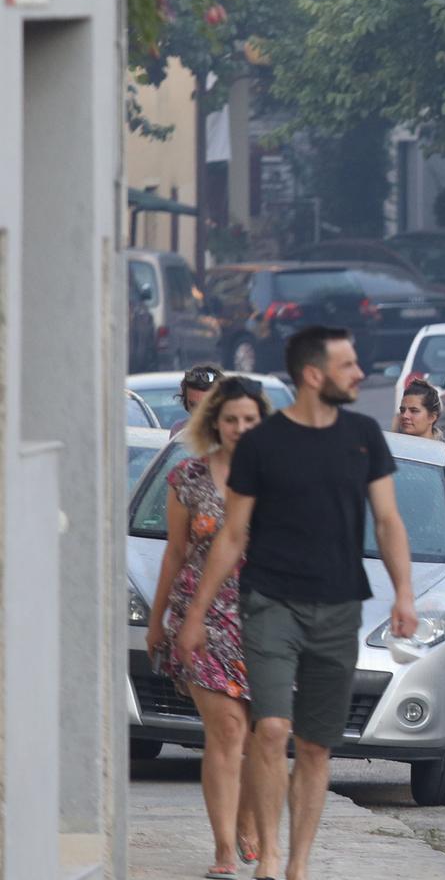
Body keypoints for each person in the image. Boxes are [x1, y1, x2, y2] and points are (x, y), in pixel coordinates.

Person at [177, 326, 418, 880]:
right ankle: (268, 857)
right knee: (270, 729)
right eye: (348, 365)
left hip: (338, 607)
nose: (360, 374)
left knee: (314, 745)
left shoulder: (363, 436)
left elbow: (387, 521)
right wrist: (195, 614)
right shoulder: (262, 443)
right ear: (314, 375)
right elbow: (233, 534)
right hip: (270, 603)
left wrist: (404, 592)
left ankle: (298, 865)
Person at [147, 376, 271, 878]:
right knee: (227, 730)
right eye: (230, 419)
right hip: (202, 618)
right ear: (214, 422)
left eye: (249, 419)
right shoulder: (188, 478)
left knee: (262, 735)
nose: (240, 427)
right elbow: (175, 554)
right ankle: (223, 848)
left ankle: (248, 820)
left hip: (266, 618)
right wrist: (158, 621)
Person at [172, 364, 224, 435]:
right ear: (186, 403)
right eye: (193, 405)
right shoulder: (179, 431)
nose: (198, 412)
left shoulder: (233, 431)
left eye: (205, 405)